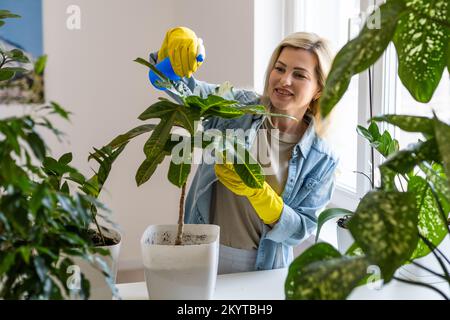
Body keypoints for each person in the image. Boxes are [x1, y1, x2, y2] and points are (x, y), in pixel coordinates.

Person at [150, 27, 339, 273]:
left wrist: (262, 196)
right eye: (279, 68)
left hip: (264, 266)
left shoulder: (322, 158)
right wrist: (174, 53)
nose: (284, 80)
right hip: (203, 252)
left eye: (299, 75)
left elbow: (301, 229)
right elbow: (180, 89)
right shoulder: (237, 107)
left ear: (319, 90)